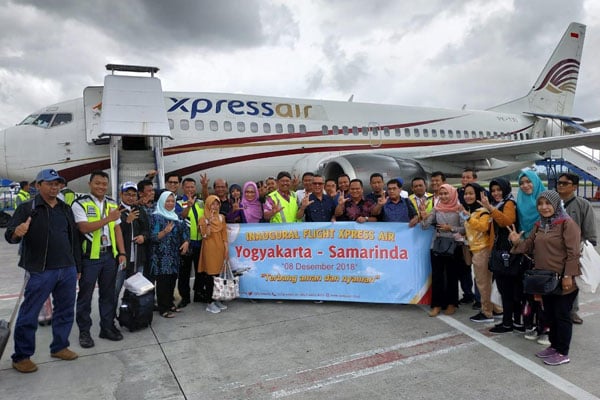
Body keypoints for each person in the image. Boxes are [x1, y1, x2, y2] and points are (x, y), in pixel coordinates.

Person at [5, 169, 81, 373]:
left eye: (58, 184)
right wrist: (16, 233)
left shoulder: (65, 208)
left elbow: (73, 238)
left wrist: (77, 266)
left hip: (67, 268)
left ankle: (59, 346)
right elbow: (10, 235)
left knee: (65, 310)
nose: (55, 187)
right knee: (29, 313)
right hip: (40, 270)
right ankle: (21, 356)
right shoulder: (27, 208)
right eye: (50, 183)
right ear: (38, 185)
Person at [508, 190, 581, 366]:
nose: (544, 207)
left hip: (563, 278)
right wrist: (517, 241)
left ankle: (563, 352)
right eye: (540, 204)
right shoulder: (539, 224)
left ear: (555, 204)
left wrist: (568, 275)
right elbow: (527, 246)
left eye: (547, 203)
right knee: (549, 314)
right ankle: (554, 346)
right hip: (545, 280)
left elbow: (574, 253)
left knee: (562, 315)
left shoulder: (566, 223)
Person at [72, 170, 127, 348]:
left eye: (104, 184)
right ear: (90, 184)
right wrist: (108, 219)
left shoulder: (112, 203)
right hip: (90, 258)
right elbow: (84, 228)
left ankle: (107, 327)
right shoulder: (80, 204)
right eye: (97, 183)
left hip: (109, 256)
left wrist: (122, 252)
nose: (101, 187)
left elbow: (117, 229)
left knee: (108, 294)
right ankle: (84, 332)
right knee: (85, 296)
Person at [556, 172, 597, 324]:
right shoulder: (552, 203)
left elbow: (589, 226)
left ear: (574, 187)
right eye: (559, 182)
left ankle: (572, 311)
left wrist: (590, 244)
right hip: (554, 249)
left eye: (565, 183)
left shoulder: (582, 204)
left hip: (574, 250)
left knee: (573, 282)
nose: (560, 185)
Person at [484, 178, 523, 333]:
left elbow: (507, 221)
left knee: (511, 290)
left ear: (506, 189)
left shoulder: (509, 204)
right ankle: (509, 322)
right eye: (493, 190)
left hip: (509, 253)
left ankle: (514, 322)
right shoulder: (498, 205)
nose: (496, 193)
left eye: (499, 190)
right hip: (500, 252)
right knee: (505, 290)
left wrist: (490, 210)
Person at [421, 184, 464, 317]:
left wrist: (450, 228)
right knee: (437, 276)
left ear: (452, 193)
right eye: (441, 194)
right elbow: (425, 226)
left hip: (453, 246)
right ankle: (436, 305)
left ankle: (451, 304)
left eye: (446, 193)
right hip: (437, 245)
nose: (444, 196)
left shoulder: (459, 208)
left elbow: (465, 229)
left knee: (452, 276)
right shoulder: (436, 208)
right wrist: (423, 215)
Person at [517, 170, 547, 342]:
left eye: (529, 181)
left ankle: (545, 328)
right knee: (528, 294)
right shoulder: (519, 204)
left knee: (544, 294)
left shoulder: (548, 202)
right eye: (522, 183)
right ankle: (530, 324)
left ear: (536, 182)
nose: (525, 185)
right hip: (527, 256)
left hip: (547, 257)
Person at [150, 191, 190, 318]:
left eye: (172, 201)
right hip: (161, 256)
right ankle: (163, 308)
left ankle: (170, 304)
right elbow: (153, 237)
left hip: (174, 255)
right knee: (163, 282)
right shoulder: (156, 217)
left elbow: (185, 230)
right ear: (162, 202)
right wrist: (165, 232)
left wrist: (186, 242)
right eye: (167, 201)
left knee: (172, 280)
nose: (170, 203)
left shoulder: (176, 216)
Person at [461, 183, 496, 324]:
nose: (467, 196)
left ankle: (487, 312)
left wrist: (468, 218)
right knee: (486, 282)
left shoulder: (482, 211)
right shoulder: (472, 211)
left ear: (478, 195)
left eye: (471, 193)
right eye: (466, 193)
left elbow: (483, 227)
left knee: (483, 283)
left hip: (483, 250)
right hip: (475, 250)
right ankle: (496, 309)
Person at [114, 182, 149, 309]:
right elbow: (115, 234)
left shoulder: (139, 210)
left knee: (135, 290)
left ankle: (131, 316)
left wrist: (143, 237)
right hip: (122, 259)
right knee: (115, 290)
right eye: (127, 194)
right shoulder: (116, 211)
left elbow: (146, 229)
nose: (131, 197)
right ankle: (110, 319)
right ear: (121, 194)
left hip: (138, 258)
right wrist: (127, 222)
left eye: (134, 195)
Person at [198, 195, 229, 313]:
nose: (215, 206)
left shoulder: (221, 218)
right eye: (212, 204)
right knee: (211, 276)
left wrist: (226, 249)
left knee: (219, 276)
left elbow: (224, 235)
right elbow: (205, 236)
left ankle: (217, 299)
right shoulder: (203, 219)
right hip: (209, 249)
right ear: (207, 205)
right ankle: (209, 302)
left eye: (217, 204)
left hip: (220, 249)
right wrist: (209, 223)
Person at [177, 178, 205, 307]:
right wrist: (188, 206)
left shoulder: (200, 202)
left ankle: (198, 293)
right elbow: (181, 217)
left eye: (192, 187)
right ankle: (185, 297)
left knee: (200, 271)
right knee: (184, 272)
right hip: (186, 242)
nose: (190, 189)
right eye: (187, 187)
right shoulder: (178, 202)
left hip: (199, 241)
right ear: (183, 188)